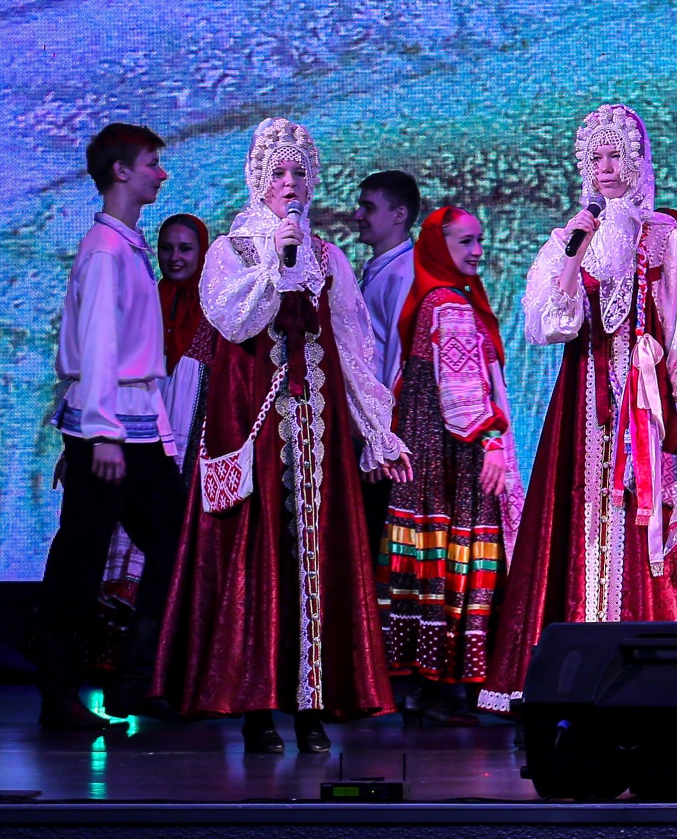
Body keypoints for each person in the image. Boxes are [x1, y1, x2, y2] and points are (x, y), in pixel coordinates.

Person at [155, 118, 411, 754]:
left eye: (299, 172)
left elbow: (353, 347)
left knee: (316, 560)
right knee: (257, 558)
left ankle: (312, 706)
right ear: (258, 180)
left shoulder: (327, 257)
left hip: (317, 431)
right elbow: (233, 321)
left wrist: (378, 431)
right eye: (278, 173)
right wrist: (275, 262)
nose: (290, 184)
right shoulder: (231, 252)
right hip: (255, 426)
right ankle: (256, 709)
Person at [485, 106, 677, 708]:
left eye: (615, 156)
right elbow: (548, 324)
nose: (605, 168)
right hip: (583, 405)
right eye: (595, 158)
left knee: (643, 519)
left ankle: (650, 685)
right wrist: (573, 255)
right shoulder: (569, 239)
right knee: (576, 519)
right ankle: (571, 682)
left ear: (636, 160)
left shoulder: (667, 238)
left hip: (648, 408)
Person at [36, 123, 183, 733]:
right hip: (112, 426)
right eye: (152, 162)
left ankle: (136, 680)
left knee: (175, 545)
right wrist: (99, 432)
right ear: (121, 171)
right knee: (82, 555)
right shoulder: (105, 250)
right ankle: (59, 693)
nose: (161, 173)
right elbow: (97, 343)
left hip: (135, 425)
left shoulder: (126, 246)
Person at [381, 207, 519, 722]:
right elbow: (462, 392)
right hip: (453, 454)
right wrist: (490, 441)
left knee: (430, 557)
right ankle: (446, 686)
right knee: (456, 552)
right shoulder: (451, 304)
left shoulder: (431, 298)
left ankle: (425, 685)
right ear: (441, 247)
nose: (477, 251)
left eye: (480, 239)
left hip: (427, 445)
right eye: (465, 241)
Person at [354, 170, 422, 564]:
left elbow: (398, 361)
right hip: (367, 425)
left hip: (380, 432)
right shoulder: (382, 269)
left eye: (368, 207)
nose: (357, 215)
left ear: (399, 215)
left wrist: (380, 440)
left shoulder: (404, 273)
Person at [155, 213, 212, 457]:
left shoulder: (216, 305)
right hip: (147, 414)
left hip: (196, 419)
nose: (174, 257)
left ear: (202, 252)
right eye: (166, 248)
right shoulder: (148, 299)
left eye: (185, 249)